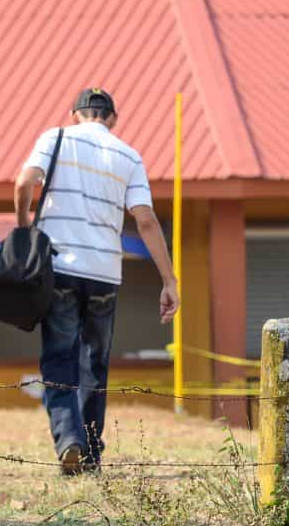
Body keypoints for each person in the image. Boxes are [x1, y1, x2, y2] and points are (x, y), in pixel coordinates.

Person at [15, 88, 179, 475]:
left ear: (75, 114)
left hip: (61, 268)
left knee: (59, 358)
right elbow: (145, 219)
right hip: (106, 273)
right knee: (94, 365)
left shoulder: (54, 138)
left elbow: (24, 183)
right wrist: (169, 280)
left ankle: (69, 438)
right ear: (113, 119)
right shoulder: (128, 155)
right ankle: (91, 454)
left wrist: (24, 228)